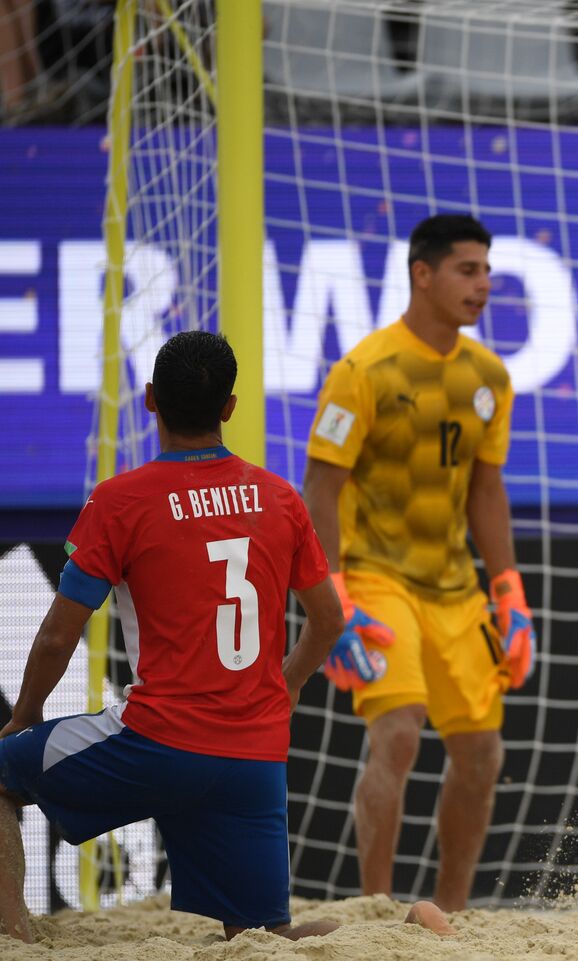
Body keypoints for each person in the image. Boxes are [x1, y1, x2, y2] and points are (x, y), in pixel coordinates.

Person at [0, 331, 454, 941]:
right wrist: (284, 688)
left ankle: (13, 940)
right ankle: (405, 935)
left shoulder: (120, 501)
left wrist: (24, 715)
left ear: (150, 399)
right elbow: (328, 623)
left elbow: (58, 638)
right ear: (230, 407)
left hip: (156, 741)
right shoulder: (279, 497)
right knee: (262, 938)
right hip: (252, 755)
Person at [302, 214, 535, 911]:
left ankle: (452, 913)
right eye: (469, 269)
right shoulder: (363, 370)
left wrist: (508, 589)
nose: (484, 284)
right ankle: (378, 908)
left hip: (455, 586)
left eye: (488, 270)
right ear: (422, 274)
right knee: (398, 734)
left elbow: (487, 490)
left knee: (482, 755)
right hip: (375, 575)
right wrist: (332, 597)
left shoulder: (489, 375)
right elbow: (320, 486)